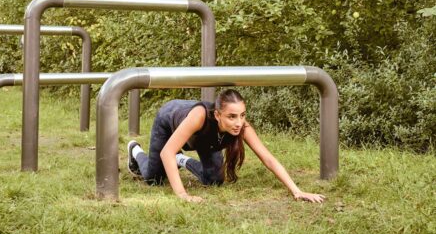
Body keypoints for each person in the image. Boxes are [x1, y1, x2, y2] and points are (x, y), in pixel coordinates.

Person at [127, 89, 325, 203]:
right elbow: (166, 151)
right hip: (169, 120)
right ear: (217, 115)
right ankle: (135, 150)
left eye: (242, 115)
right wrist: (183, 195)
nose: (238, 122)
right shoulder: (200, 116)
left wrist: (297, 191)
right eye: (232, 116)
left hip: (203, 140)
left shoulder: (241, 127)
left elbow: (268, 158)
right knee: (154, 179)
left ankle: (181, 159)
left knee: (214, 180)